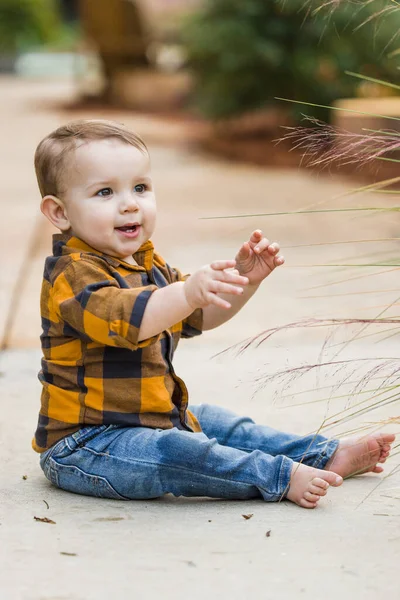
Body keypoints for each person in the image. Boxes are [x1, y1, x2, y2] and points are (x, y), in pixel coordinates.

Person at [32, 119, 395, 509]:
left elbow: (198, 318)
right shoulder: (71, 276)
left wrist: (244, 282)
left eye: (140, 187)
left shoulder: (145, 265)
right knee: (177, 452)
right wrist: (186, 292)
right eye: (105, 191)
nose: (130, 203)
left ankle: (321, 453)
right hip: (87, 444)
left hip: (152, 420)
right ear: (59, 212)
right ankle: (278, 476)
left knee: (218, 422)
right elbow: (127, 320)